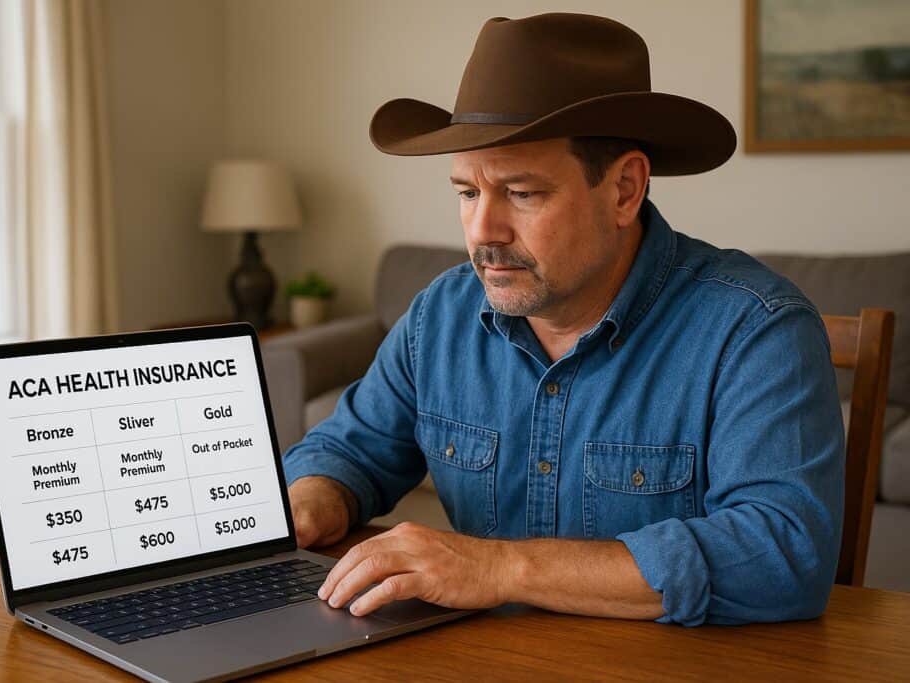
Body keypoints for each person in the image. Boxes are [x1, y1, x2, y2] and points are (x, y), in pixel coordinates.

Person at [283, 12, 844, 626]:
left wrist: (496, 568)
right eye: (467, 193)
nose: (482, 233)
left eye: (523, 194)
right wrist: (313, 499)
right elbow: (347, 452)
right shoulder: (439, 317)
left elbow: (784, 556)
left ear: (625, 189)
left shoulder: (756, 329)